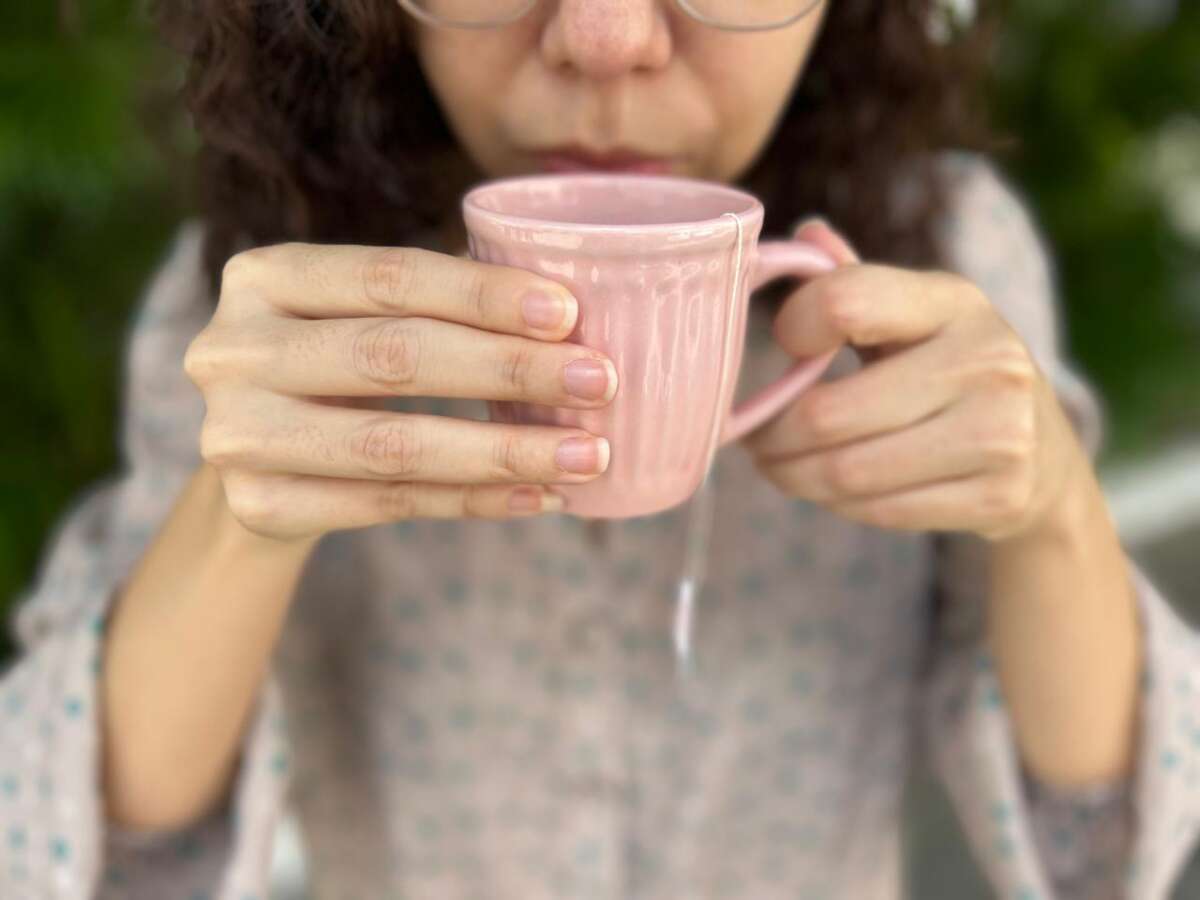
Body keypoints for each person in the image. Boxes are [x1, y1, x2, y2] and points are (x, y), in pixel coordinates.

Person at [2, 1, 1195, 897]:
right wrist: (242, 507)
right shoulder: (263, 297)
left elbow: (1095, 841)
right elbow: (100, 855)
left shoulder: (950, 257)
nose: (609, 36)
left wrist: (1053, 513)